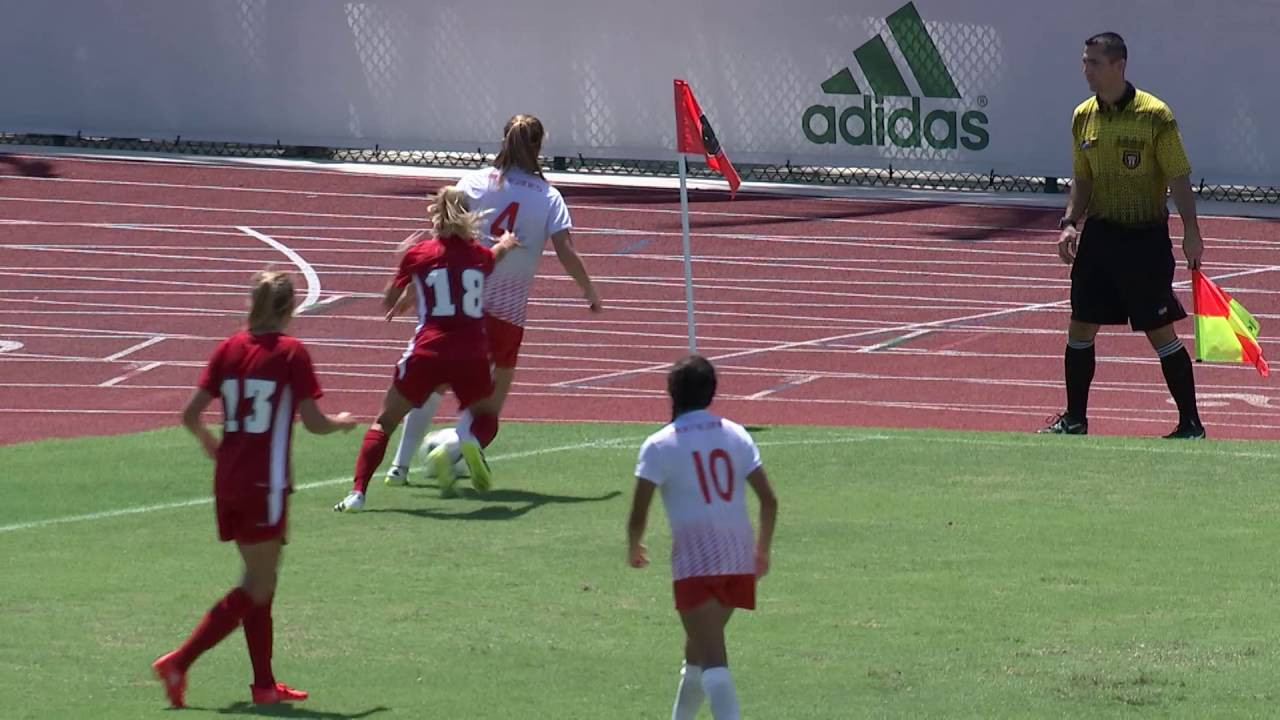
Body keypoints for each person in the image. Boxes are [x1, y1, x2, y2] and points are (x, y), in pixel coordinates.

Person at [152, 271, 357, 708]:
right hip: (265, 482)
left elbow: (190, 414)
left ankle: (264, 685)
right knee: (257, 584)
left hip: (229, 478)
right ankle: (179, 662)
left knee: (262, 581)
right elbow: (316, 422)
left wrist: (214, 447)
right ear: (289, 309)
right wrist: (340, 424)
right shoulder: (290, 353)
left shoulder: (228, 348)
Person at [380, 113, 603, 491]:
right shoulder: (548, 197)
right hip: (508, 313)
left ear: (503, 141)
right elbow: (566, 250)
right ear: (539, 147)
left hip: (461, 302)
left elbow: (442, 239)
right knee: (487, 409)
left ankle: (399, 468)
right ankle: (461, 441)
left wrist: (411, 289)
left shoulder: (475, 182)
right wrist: (589, 289)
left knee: (430, 385)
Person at [1041, 32, 1206, 439]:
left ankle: (1190, 424)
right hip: (1099, 238)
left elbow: (1179, 177)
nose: (1086, 70)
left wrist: (1191, 231)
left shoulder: (1155, 115)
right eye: (1084, 61)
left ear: (1119, 65)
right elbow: (1082, 179)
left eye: (1094, 62)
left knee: (1160, 331)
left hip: (1144, 240)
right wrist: (1068, 223)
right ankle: (1075, 419)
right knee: (1080, 326)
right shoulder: (1083, 115)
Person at [334, 185, 521, 512]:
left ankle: (358, 494)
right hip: (472, 352)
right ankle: (470, 441)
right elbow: (495, 256)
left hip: (428, 350)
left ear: (435, 215)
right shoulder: (478, 255)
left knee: (385, 421)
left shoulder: (418, 254)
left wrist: (400, 261)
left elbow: (389, 301)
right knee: (486, 416)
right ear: (468, 217)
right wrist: (505, 242)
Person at [626, 355, 778, 720]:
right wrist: (762, 550)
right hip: (738, 558)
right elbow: (769, 501)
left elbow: (639, 512)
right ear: (712, 392)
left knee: (713, 657)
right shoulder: (737, 434)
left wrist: (634, 544)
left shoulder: (659, 445)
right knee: (697, 649)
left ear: (671, 392)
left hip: (696, 564)